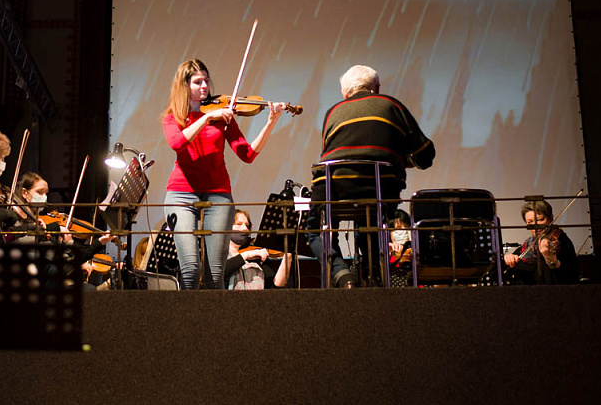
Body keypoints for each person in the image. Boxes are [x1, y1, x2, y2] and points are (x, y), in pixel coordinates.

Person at [162, 59, 285, 289]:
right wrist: (207, 118)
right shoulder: (173, 117)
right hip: (180, 194)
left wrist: (270, 122)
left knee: (215, 273)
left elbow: (247, 154)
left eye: (206, 81)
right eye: (197, 82)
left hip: (218, 194)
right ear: (184, 85)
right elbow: (177, 143)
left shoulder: (223, 116)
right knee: (190, 269)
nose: (204, 86)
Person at [308, 65, 435, 288]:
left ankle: (342, 275)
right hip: (379, 185)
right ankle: (372, 274)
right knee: (371, 217)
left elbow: (334, 153)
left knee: (314, 228)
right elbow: (425, 153)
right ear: (376, 88)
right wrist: (405, 160)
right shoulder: (391, 104)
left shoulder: (332, 111)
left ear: (345, 94)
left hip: (334, 186)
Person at [503, 199, 578, 284]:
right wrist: (508, 260)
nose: (536, 226)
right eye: (530, 222)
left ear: (550, 218)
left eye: (540, 220)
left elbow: (571, 275)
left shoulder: (562, 243)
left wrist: (551, 260)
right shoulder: (526, 247)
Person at [224, 208, 293, 289]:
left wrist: (287, 259)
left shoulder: (257, 255)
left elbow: (274, 287)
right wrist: (246, 255)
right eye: (238, 224)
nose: (245, 228)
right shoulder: (220, 255)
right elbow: (219, 273)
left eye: (247, 225)